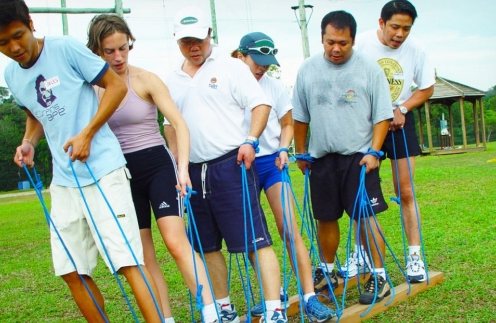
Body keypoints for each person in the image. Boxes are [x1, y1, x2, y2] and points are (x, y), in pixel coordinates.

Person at [0, 0, 164, 322]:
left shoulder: (65, 49)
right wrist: (28, 142)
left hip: (104, 170)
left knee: (128, 262)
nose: (13, 47)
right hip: (64, 181)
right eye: (1, 43)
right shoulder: (12, 74)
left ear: (30, 23)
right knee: (71, 269)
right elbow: (35, 115)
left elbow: (116, 85)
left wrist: (88, 133)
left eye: (17, 35)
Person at [86, 14, 218, 323]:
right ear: (96, 50)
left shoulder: (146, 79)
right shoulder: (90, 89)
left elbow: (179, 124)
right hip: (120, 173)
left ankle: (213, 313)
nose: (118, 57)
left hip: (157, 165)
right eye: (109, 51)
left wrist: (182, 169)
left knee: (175, 241)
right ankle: (164, 319)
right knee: (144, 255)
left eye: (123, 48)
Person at [164, 6, 287, 323]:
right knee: (206, 246)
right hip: (193, 172)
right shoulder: (172, 79)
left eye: (199, 40)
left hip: (230, 165)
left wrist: (251, 139)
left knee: (254, 241)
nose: (194, 47)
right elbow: (170, 126)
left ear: (210, 36)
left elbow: (261, 103)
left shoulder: (232, 68)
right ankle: (224, 308)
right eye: (186, 41)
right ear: (177, 41)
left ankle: (275, 310)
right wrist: (178, 165)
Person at [292, 10, 394, 305]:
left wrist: (375, 151)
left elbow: (382, 115)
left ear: (352, 41)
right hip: (322, 157)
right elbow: (300, 117)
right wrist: (301, 152)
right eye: (330, 42)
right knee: (325, 217)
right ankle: (327, 272)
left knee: (365, 218)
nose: (336, 49)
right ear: (322, 38)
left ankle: (378, 276)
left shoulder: (368, 69)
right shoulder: (307, 69)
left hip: (359, 157)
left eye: (343, 43)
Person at [231, 32, 335, 321]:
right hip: (241, 164)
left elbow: (287, 124)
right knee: (254, 236)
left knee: (289, 228)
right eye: (257, 61)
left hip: (271, 163)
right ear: (241, 56)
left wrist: (283, 148)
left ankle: (309, 297)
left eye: (267, 62)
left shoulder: (273, 86)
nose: (262, 67)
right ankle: (272, 294)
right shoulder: (228, 83)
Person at [342, 0, 435, 283]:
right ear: (381, 23)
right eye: (395, 26)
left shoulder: (417, 49)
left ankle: (415, 258)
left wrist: (402, 108)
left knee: (405, 191)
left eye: (406, 28)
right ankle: (359, 254)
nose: (400, 34)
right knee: (359, 192)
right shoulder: (363, 45)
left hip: (398, 124)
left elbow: (427, 87)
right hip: (365, 126)